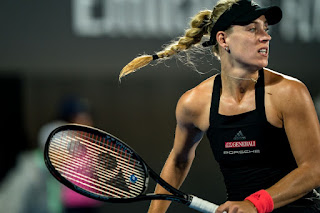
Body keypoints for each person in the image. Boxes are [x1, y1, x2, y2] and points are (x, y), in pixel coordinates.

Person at [119, 0, 320, 212]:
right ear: (223, 39)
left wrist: (255, 204)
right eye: (252, 29)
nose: (266, 36)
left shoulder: (289, 92)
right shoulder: (194, 103)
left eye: (266, 29)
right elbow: (178, 162)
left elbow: (314, 170)